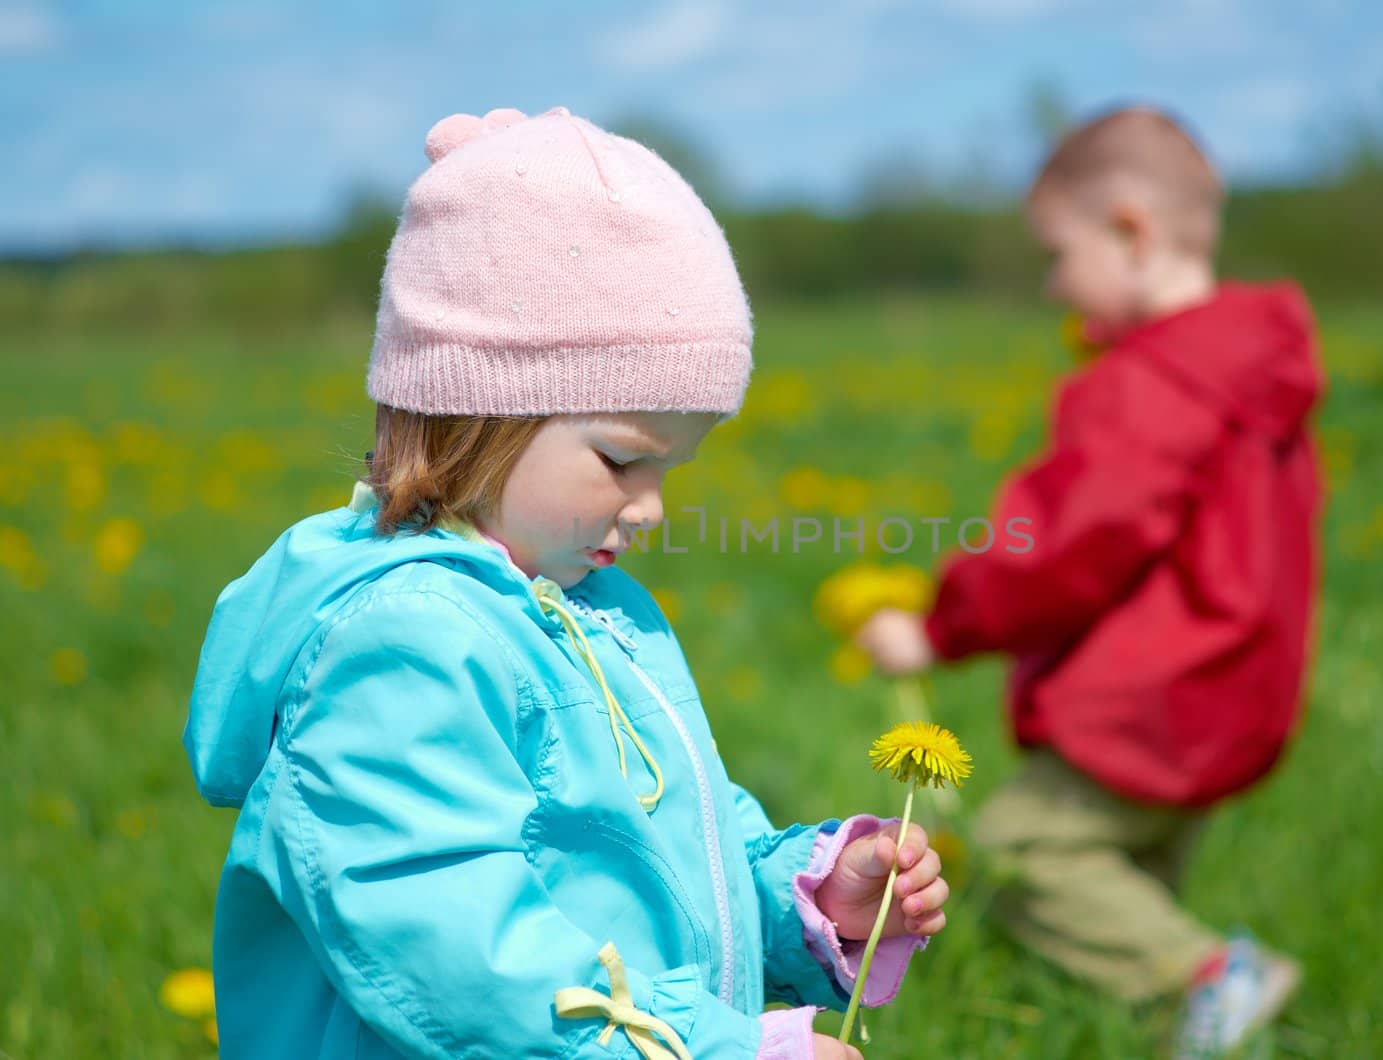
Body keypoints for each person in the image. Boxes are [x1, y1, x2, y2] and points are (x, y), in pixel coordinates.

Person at [184, 106, 949, 1060]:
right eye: (623, 461)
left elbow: (670, 870)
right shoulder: (401, 648)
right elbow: (465, 968)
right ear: (480, 413)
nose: (652, 508)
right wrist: (717, 1050)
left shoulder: (590, 608)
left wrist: (809, 900)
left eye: (674, 468)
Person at [856, 106, 1322, 1056]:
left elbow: (1063, 543)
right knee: (1132, 872)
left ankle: (1211, 982)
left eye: (1061, 252)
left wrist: (941, 629)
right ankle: (1179, 1019)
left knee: (1028, 851)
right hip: (1238, 683)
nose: (1054, 281)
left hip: (1150, 693)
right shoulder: (1252, 372)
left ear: (1130, 233)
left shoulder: (1150, 385)